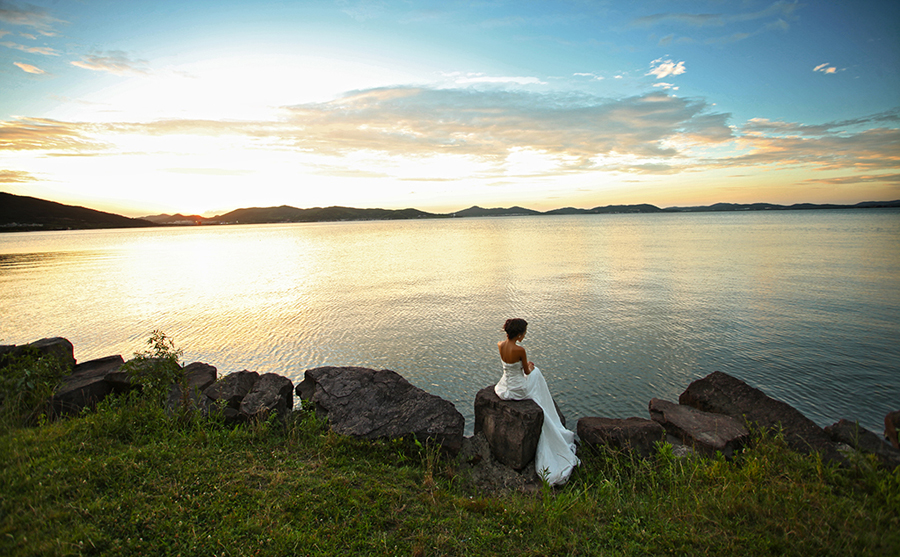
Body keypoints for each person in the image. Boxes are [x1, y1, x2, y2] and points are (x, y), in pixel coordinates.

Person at [495, 318, 579, 485]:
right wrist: (530, 367)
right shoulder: (520, 350)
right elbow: (526, 370)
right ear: (519, 335)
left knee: (533, 373)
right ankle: (546, 407)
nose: (524, 336)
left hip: (506, 386)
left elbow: (511, 367)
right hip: (519, 390)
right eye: (524, 333)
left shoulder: (500, 345)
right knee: (537, 372)